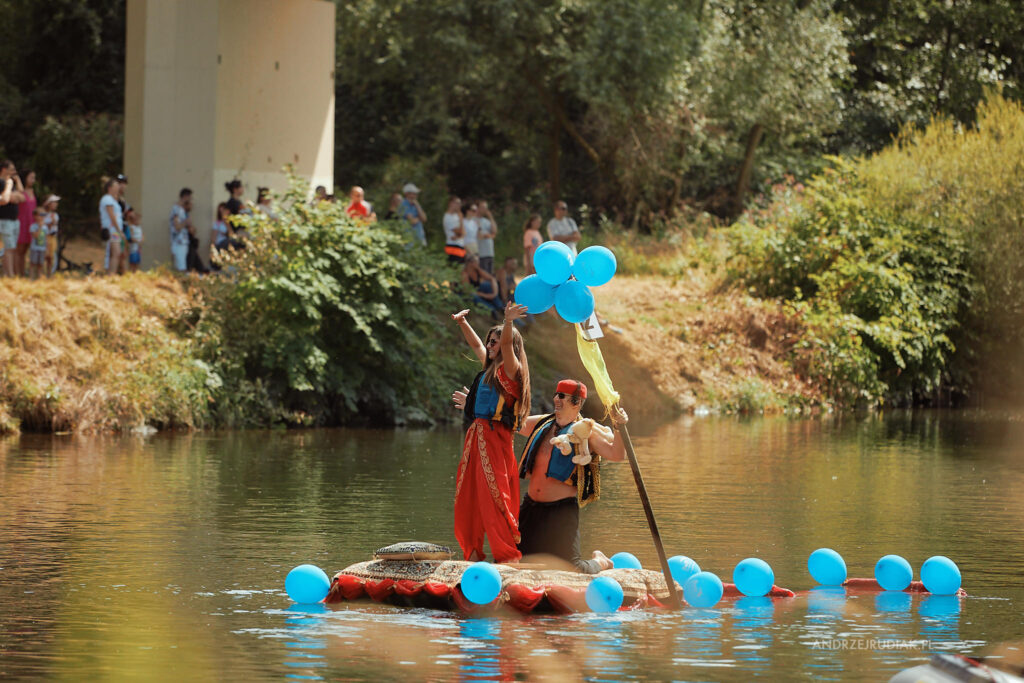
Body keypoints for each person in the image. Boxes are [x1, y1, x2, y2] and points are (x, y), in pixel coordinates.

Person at [449, 301, 531, 563]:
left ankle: (507, 556)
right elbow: (476, 346)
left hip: (495, 440)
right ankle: (472, 552)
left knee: (494, 496)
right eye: (490, 342)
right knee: (469, 496)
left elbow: (507, 345)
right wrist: (462, 322)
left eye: (495, 342)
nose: (491, 346)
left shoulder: (511, 370)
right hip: (476, 436)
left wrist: (508, 322)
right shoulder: (488, 368)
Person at [518, 380, 627, 572]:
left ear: (576, 403)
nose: (555, 399)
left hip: (561, 512)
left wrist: (619, 427)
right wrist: (475, 403)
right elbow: (511, 422)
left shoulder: (586, 432)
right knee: (518, 561)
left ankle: (601, 562)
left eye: (562, 396)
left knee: (572, 568)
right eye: (556, 394)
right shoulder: (543, 423)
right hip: (531, 508)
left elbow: (617, 455)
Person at [0, 161, 26, 277]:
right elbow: (5, 199)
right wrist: (9, 186)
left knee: (12, 248)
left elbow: (21, 197)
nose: (14, 172)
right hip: (4, 220)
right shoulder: (2, 182)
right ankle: (9, 275)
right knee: (8, 249)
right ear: (4, 169)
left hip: (14, 221)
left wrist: (14, 183)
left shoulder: (10, 183)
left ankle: (9, 274)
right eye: (12, 169)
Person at [462, 253, 504, 317]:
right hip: (469, 293)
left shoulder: (478, 270)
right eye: (476, 261)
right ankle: (491, 310)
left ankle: (500, 307)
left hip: (477, 291)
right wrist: (485, 295)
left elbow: (491, 278)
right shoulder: (465, 274)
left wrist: (494, 294)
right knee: (473, 296)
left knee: (487, 285)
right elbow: (467, 290)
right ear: (470, 263)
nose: (478, 263)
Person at [99, 178, 125, 275]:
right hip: (112, 230)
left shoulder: (113, 200)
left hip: (115, 230)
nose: (118, 187)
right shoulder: (107, 199)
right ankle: (111, 274)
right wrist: (119, 230)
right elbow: (112, 216)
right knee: (115, 252)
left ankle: (111, 273)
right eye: (116, 185)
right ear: (110, 188)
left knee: (115, 253)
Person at [15, 169, 37, 276]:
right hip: (22, 223)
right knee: (19, 251)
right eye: (31, 177)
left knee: (24, 251)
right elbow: (22, 197)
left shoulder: (32, 191)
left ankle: (22, 273)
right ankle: (17, 273)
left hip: (31, 223)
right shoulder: (20, 191)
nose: (33, 180)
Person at [169, 188, 193, 272]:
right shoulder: (176, 209)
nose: (190, 200)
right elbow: (177, 227)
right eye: (189, 197)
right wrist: (186, 222)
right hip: (178, 243)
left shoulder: (183, 210)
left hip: (183, 242)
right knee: (181, 269)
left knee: (182, 267)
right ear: (185, 196)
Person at [442, 196, 466, 263]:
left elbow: (464, 233)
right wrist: (461, 220)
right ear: (451, 203)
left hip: (460, 246)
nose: (459, 205)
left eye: (460, 203)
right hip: (453, 247)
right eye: (457, 203)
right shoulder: (448, 217)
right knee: (454, 269)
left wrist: (459, 236)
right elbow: (460, 232)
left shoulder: (456, 216)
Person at [476, 201, 497, 273]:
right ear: (477, 208)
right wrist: (488, 236)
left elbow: (494, 231)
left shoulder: (486, 221)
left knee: (490, 273)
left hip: (489, 252)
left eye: (486, 208)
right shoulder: (473, 220)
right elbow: (479, 235)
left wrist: (490, 217)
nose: (485, 209)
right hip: (481, 253)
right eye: (482, 207)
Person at [41, 195, 60, 275]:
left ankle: (49, 274)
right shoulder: (42, 214)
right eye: (53, 202)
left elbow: (55, 224)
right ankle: (41, 273)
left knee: (51, 257)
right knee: (44, 256)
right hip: (44, 237)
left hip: (53, 237)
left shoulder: (55, 215)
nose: (56, 204)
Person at [27, 207, 48, 279]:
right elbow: (35, 236)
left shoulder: (45, 227)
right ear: (35, 216)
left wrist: (47, 248)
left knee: (40, 264)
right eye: (40, 215)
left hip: (42, 248)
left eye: (43, 215)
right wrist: (39, 227)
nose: (42, 217)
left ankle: (39, 277)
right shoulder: (33, 226)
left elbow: (46, 238)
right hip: (34, 248)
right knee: (33, 263)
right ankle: (31, 277)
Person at [125, 208, 144, 272]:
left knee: (137, 262)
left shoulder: (139, 227)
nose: (139, 221)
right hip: (133, 248)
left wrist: (142, 240)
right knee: (132, 263)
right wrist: (137, 241)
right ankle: (131, 273)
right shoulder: (131, 227)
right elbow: (131, 237)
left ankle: (135, 273)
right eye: (137, 220)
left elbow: (142, 235)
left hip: (138, 248)